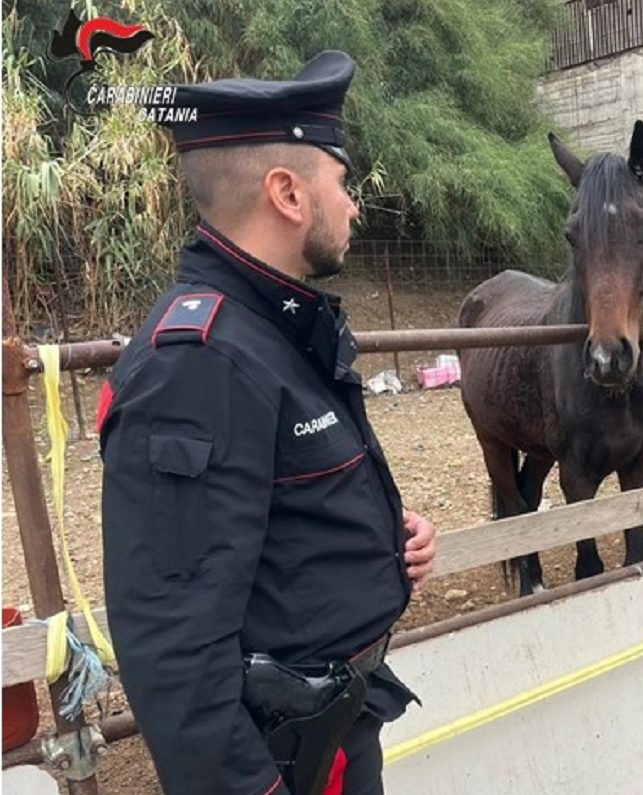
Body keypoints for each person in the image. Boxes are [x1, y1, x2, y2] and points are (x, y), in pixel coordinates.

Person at [99, 51, 437, 795]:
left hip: (336, 724)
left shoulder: (271, 326)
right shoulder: (200, 362)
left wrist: (378, 536)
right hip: (283, 759)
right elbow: (174, 647)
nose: (352, 205)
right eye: (341, 183)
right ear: (287, 192)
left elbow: (272, 503)